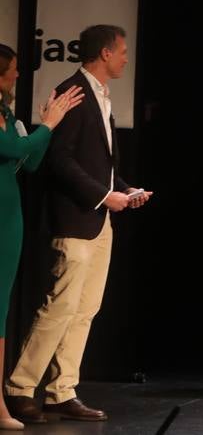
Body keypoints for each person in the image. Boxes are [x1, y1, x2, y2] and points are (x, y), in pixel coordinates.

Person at [5, 25, 152, 424]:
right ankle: (20, 388)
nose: (125, 58)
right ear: (105, 53)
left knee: (85, 309)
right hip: (75, 219)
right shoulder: (74, 92)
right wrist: (105, 196)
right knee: (60, 306)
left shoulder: (101, 96)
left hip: (98, 220)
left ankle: (61, 389)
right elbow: (60, 160)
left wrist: (124, 188)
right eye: (121, 51)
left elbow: (98, 165)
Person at [0, 45, 82, 431]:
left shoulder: (4, 111)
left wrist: (45, 126)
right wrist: (48, 125)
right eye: (13, 70)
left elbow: (29, 161)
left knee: (0, 313)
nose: (18, 76)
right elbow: (12, 148)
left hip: (9, 219)